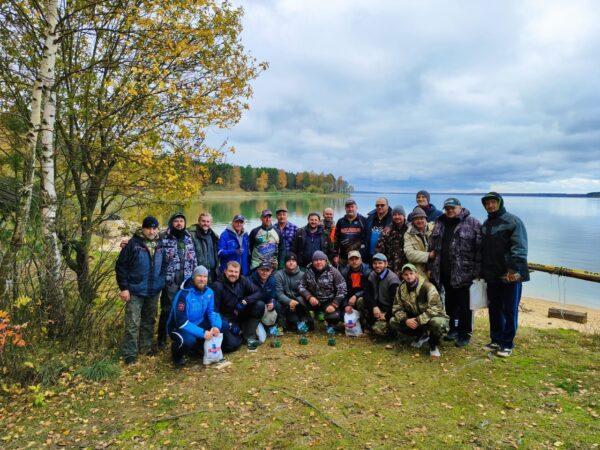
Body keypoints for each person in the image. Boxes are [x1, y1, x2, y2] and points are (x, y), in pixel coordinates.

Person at [480, 192, 529, 357]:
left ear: (500, 203)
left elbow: (520, 248)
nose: (490, 206)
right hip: (491, 274)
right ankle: (496, 339)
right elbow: (482, 250)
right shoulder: (486, 224)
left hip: (509, 275)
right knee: (494, 308)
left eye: (493, 202)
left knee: (509, 309)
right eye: (487, 203)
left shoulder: (513, 221)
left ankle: (507, 343)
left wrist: (513, 271)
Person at [429, 198, 482, 347]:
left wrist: (477, 272)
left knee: (465, 305)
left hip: (464, 273)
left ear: (460, 207)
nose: (449, 210)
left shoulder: (473, 223)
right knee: (450, 303)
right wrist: (431, 267)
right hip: (444, 272)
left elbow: (479, 250)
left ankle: (464, 333)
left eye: (452, 208)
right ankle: (453, 329)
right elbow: (432, 246)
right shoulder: (439, 222)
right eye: (447, 208)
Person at [115, 216, 167, 364]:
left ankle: (146, 348)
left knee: (149, 321)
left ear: (157, 229)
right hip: (135, 291)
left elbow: (164, 264)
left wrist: (160, 281)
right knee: (132, 323)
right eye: (148, 228)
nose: (151, 231)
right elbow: (121, 267)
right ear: (143, 228)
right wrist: (124, 288)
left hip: (153, 290)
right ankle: (130, 355)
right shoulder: (133, 244)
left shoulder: (160, 244)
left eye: (154, 228)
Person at [167, 266, 223, 367]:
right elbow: (181, 322)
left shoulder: (209, 292)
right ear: (193, 277)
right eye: (199, 276)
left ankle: (197, 348)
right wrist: (202, 333)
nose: (202, 279)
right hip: (178, 327)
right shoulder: (183, 294)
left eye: (205, 276)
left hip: (198, 322)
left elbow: (212, 311)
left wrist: (216, 326)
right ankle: (177, 356)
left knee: (224, 326)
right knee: (188, 341)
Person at [389, 264, 449, 358]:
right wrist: (406, 320)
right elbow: (396, 307)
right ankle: (421, 335)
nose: (409, 276)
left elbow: (436, 308)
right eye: (406, 274)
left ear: (416, 274)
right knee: (393, 321)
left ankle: (433, 345)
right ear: (402, 276)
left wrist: (417, 320)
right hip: (415, 318)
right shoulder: (401, 288)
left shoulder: (427, 286)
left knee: (437, 323)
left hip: (431, 317)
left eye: (411, 273)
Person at [158, 212, 197, 349]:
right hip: (170, 280)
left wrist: (194, 277)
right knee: (167, 309)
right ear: (171, 223)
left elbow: (193, 259)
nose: (179, 223)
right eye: (176, 221)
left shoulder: (188, 237)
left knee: (184, 308)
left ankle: (179, 333)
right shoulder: (163, 237)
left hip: (186, 279)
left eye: (181, 221)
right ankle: (161, 339)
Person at [212, 261, 264, 351]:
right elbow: (214, 311)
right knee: (232, 345)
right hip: (226, 318)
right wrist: (230, 325)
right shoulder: (217, 286)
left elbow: (258, 292)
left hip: (240, 312)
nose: (233, 274)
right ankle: (237, 334)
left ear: (239, 273)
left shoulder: (242, 280)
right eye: (231, 271)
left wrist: (245, 301)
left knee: (259, 305)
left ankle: (248, 336)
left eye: (236, 272)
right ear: (225, 271)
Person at [298, 251, 347, 332]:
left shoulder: (333, 272)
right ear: (312, 261)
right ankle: (309, 321)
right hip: (314, 301)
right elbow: (300, 285)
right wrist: (309, 297)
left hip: (328, 302)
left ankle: (329, 322)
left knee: (334, 317)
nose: (318, 262)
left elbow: (343, 289)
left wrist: (334, 305)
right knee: (299, 300)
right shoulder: (308, 272)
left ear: (325, 261)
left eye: (321, 260)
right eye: (316, 260)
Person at [365, 253, 400, 336]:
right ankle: (370, 323)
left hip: (389, 309)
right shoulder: (371, 275)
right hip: (377, 306)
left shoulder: (392, 279)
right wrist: (374, 306)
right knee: (361, 301)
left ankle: (393, 330)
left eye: (380, 263)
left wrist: (386, 315)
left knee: (378, 330)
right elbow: (367, 293)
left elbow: (395, 303)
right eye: (375, 263)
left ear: (386, 264)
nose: (377, 266)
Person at [274, 253, 310, 330]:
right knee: (276, 303)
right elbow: (278, 293)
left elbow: (306, 291)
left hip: (298, 304)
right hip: (285, 303)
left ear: (296, 263)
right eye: (289, 261)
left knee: (301, 299)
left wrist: (296, 302)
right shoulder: (279, 275)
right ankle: (281, 320)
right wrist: (289, 301)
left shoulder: (303, 275)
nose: (291, 263)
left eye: (293, 261)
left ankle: (304, 317)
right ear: (285, 263)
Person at [340, 250, 371, 325]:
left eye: (356, 259)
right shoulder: (344, 273)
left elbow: (368, 289)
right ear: (348, 261)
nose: (354, 261)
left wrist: (356, 296)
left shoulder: (367, 271)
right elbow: (342, 290)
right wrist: (346, 305)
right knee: (340, 317)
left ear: (361, 260)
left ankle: (365, 322)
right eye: (351, 259)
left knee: (360, 301)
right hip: (349, 299)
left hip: (363, 297)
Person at [375, 205, 409, 275]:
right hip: (390, 266)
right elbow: (379, 249)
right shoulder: (387, 230)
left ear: (404, 215)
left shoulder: (410, 229)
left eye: (399, 214)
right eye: (394, 215)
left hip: (407, 265)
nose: (397, 217)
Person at [333, 198, 367, 266]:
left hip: (358, 256)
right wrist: (335, 255)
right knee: (343, 275)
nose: (350, 209)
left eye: (352, 207)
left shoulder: (363, 220)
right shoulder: (340, 221)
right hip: (343, 257)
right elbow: (336, 239)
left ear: (356, 208)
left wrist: (364, 255)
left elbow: (366, 239)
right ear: (345, 209)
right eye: (348, 207)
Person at [404, 207, 435, 278]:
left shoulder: (434, 228)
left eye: (422, 218)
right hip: (419, 271)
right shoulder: (408, 234)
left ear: (425, 219)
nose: (420, 221)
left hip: (435, 269)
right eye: (417, 219)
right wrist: (429, 255)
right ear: (413, 221)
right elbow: (409, 254)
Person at [189, 212, 219, 283]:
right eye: (203, 221)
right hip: (198, 273)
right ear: (199, 221)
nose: (205, 223)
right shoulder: (191, 234)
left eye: (208, 221)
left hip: (212, 272)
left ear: (211, 223)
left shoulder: (214, 236)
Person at [249, 260, 279, 327]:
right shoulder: (250, 279)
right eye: (262, 270)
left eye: (267, 270)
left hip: (265, 305)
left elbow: (274, 296)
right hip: (253, 306)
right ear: (258, 270)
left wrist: (273, 303)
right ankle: (253, 325)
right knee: (260, 304)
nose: (264, 273)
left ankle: (271, 327)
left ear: (271, 271)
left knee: (277, 305)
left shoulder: (272, 281)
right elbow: (248, 298)